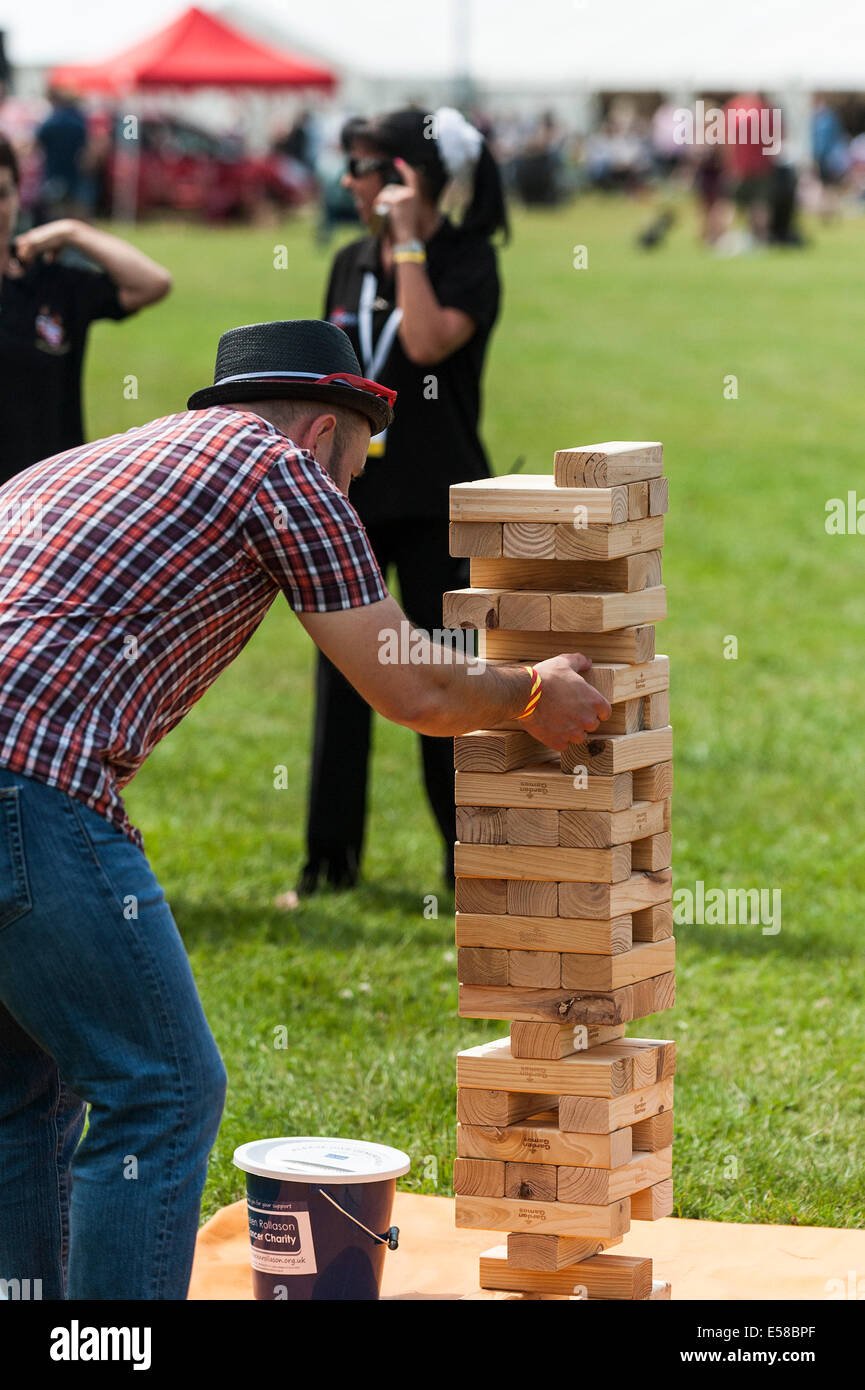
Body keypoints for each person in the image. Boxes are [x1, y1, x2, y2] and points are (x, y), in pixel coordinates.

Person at [0, 318, 610, 1299]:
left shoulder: (87, 462)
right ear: (329, 431)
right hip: (30, 778)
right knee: (160, 1090)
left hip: (21, 778)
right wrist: (530, 695)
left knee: (23, 1099)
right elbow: (408, 686)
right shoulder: (280, 467)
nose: (356, 487)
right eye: (361, 463)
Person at [300, 106, 509, 894]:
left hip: (437, 499)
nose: (349, 183)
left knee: (448, 679)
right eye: (350, 167)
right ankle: (328, 868)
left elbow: (422, 344)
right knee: (344, 684)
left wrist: (412, 242)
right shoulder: (350, 259)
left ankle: (470, 869)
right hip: (351, 496)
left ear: (407, 176)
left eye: (365, 168)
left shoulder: (466, 258)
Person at [0, 133, 172, 483]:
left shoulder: (50, 283)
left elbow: (153, 283)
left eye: (2, 194)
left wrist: (73, 231)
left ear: (18, 196)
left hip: (51, 493)